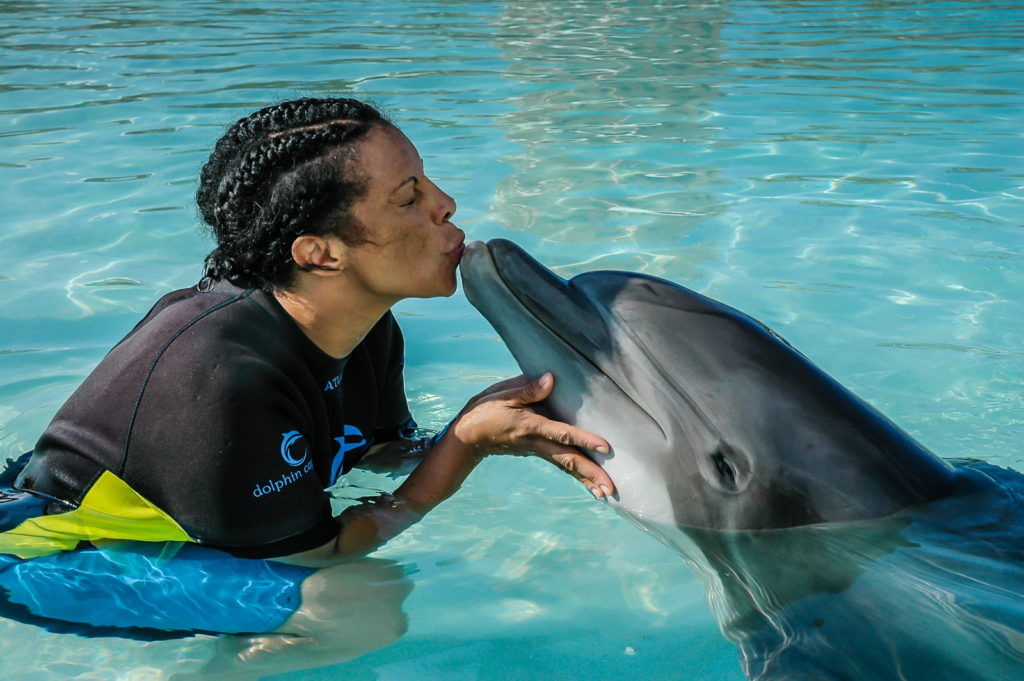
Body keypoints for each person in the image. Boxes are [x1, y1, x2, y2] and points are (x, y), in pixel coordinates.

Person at [0, 97, 614, 573]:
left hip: (170, 538)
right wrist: (466, 446)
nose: (447, 204)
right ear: (320, 254)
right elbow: (317, 560)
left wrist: (510, 431)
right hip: (60, 551)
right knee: (355, 615)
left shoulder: (367, 328)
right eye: (409, 199)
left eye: (428, 182)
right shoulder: (222, 380)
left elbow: (377, 454)